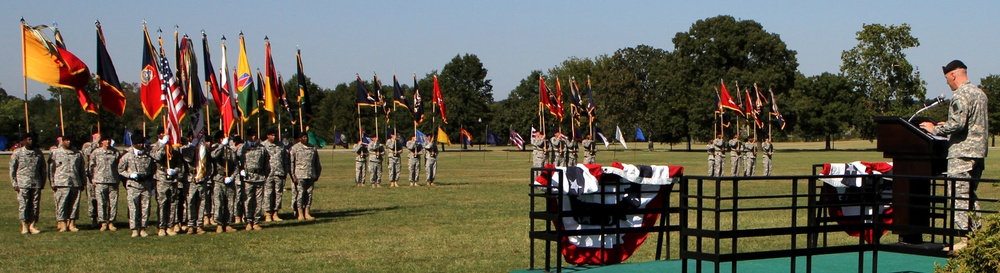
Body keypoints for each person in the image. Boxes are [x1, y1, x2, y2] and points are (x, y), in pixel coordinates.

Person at [919, 60, 989, 251]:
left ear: (953, 75)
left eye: (947, 79)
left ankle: (965, 239)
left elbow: (958, 124)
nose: (948, 84)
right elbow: (969, 123)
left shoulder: (961, 95)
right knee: (970, 195)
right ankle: (976, 237)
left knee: (958, 196)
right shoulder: (979, 94)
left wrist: (936, 128)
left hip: (962, 154)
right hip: (978, 153)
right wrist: (949, 124)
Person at [117, 133, 156, 237]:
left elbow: (153, 170)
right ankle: (134, 229)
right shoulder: (127, 156)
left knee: (145, 208)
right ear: (133, 144)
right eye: (138, 143)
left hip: (146, 186)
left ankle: (143, 228)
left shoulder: (148, 155)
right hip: (133, 186)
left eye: (142, 143)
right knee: (133, 208)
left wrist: (152, 185)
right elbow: (120, 170)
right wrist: (130, 175)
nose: (141, 145)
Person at [49, 135, 86, 232]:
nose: (68, 142)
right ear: (62, 141)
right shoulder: (56, 153)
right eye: (66, 140)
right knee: (62, 204)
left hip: (75, 182)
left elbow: (81, 169)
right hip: (61, 182)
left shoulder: (77, 154)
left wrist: (83, 182)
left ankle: (72, 223)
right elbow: (51, 169)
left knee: (74, 204)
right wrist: (52, 183)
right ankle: (62, 223)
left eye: (70, 140)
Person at [150, 129, 183, 236]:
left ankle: (170, 226)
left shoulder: (174, 148)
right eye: (163, 133)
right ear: (159, 134)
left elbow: (179, 164)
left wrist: (175, 170)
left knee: (173, 203)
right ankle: (161, 226)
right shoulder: (154, 146)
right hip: (161, 178)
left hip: (172, 179)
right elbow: (157, 157)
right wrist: (163, 145)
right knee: (162, 203)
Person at [11, 132, 46, 234]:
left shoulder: (38, 153)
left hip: (36, 183)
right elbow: (12, 169)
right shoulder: (18, 153)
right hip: (23, 183)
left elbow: (43, 169)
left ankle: (32, 225)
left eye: (32, 139)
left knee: (35, 205)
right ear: (24, 141)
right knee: (24, 205)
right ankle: (24, 225)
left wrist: (42, 182)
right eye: (28, 139)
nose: (31, 141)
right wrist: (14, 183)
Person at [89, 134, 120, 231]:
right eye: (105, 140)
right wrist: (92, 178)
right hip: (100, 181)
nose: (107, 142)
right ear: (101, 141)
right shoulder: (96, 152)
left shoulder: (115, 152)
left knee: (113, 203)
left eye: (109, 140)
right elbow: (91, 166)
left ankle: (111, 222)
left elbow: (119, 166)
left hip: (113, 181)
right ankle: (103, 222)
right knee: (101, 203)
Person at [239, 132, 269, 230]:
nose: (254, 137)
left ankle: (256, 221)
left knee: (258, 201)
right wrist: (241, 170)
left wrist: (265, 174)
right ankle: (248, 221)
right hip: (248, 177)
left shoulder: (262, 148)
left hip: (259, 177)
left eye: (255, 135)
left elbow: (266, 163)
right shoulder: (243, 148)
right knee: (248, 200)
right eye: (252, 135)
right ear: (248, 136)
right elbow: (237, 160)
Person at [210, 132, 238, 233]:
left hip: (229, 179)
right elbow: (213, 156)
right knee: (219, 203)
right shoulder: (215, 148)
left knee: (229, 202)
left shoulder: (230, 150)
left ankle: (228, 223)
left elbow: (236, 165)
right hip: (218, 179)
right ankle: (219, 224)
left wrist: (232, 177)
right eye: (223, 138)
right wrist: (222, 146)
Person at [183, 134, 211, 234]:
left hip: (202, 179)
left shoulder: (204, 149)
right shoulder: (185, 149)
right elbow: (189, 159)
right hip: (191, 179)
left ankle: (199, 224)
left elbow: (209, 163)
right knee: (190, 202)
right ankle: (191, 225)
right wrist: (192, 146)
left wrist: (205, 175)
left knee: (202, 202)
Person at [290, 132, 321, 220]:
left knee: (309, 194)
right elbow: (292, 163)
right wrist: (293, 176)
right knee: (300, 194)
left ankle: (307, 212)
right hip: (299, 175)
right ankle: (300, 213)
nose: (305, 139)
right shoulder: (295, 148)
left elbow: (317, 162)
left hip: (310, 174)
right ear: (300, 138)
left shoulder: (312, 148)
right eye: (303, 137)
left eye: (306, 137)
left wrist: (317, 174)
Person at [262, 130, 289, 221]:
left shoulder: (281, 145)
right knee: (268, 194)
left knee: (278, 194)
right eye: (272, 135)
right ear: (268, 135)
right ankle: (268, 213)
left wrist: (285, 172)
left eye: (275, 135)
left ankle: (275, 213)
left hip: (279, 173)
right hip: (268, 174)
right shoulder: (263, 145)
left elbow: (285, 159)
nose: (274, 137)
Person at [80, 128, 101, 228]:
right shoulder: (87, 145)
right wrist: (95, 143)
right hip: (91, 176)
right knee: (92, 198)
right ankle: (93, 218)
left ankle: (104, 218)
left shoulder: (104, 144)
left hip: (102, 175)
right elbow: (86, 153)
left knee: (102, 198)